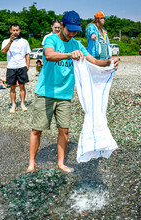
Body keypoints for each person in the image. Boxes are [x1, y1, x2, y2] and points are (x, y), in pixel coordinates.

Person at [26, 11, 118, 173]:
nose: (73, 34)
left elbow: (95, 61)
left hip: (65, 94)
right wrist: (69, 55)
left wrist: (108, 62)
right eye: (70, 30)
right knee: (37, 129)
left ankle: (60, 163)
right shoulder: (51, 39)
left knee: (64, 130)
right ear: (62, 25)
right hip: (45, 92)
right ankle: (31, 163)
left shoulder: (77, 44)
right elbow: (49, 55)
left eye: (76, 31)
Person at [1, 23, 31, 113]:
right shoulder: (6, 41)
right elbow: (3, 51)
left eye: (17, 30)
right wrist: (10, 41)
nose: (15, 32)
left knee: (22, 86)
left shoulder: (24, 41)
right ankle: (13, 104)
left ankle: (22, 103)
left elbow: (27, 54)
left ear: (19, 30)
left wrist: (27, 65)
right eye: (13, 30)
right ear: (10, 31)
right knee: (12, 87)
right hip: (11, 67)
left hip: (22, 66)